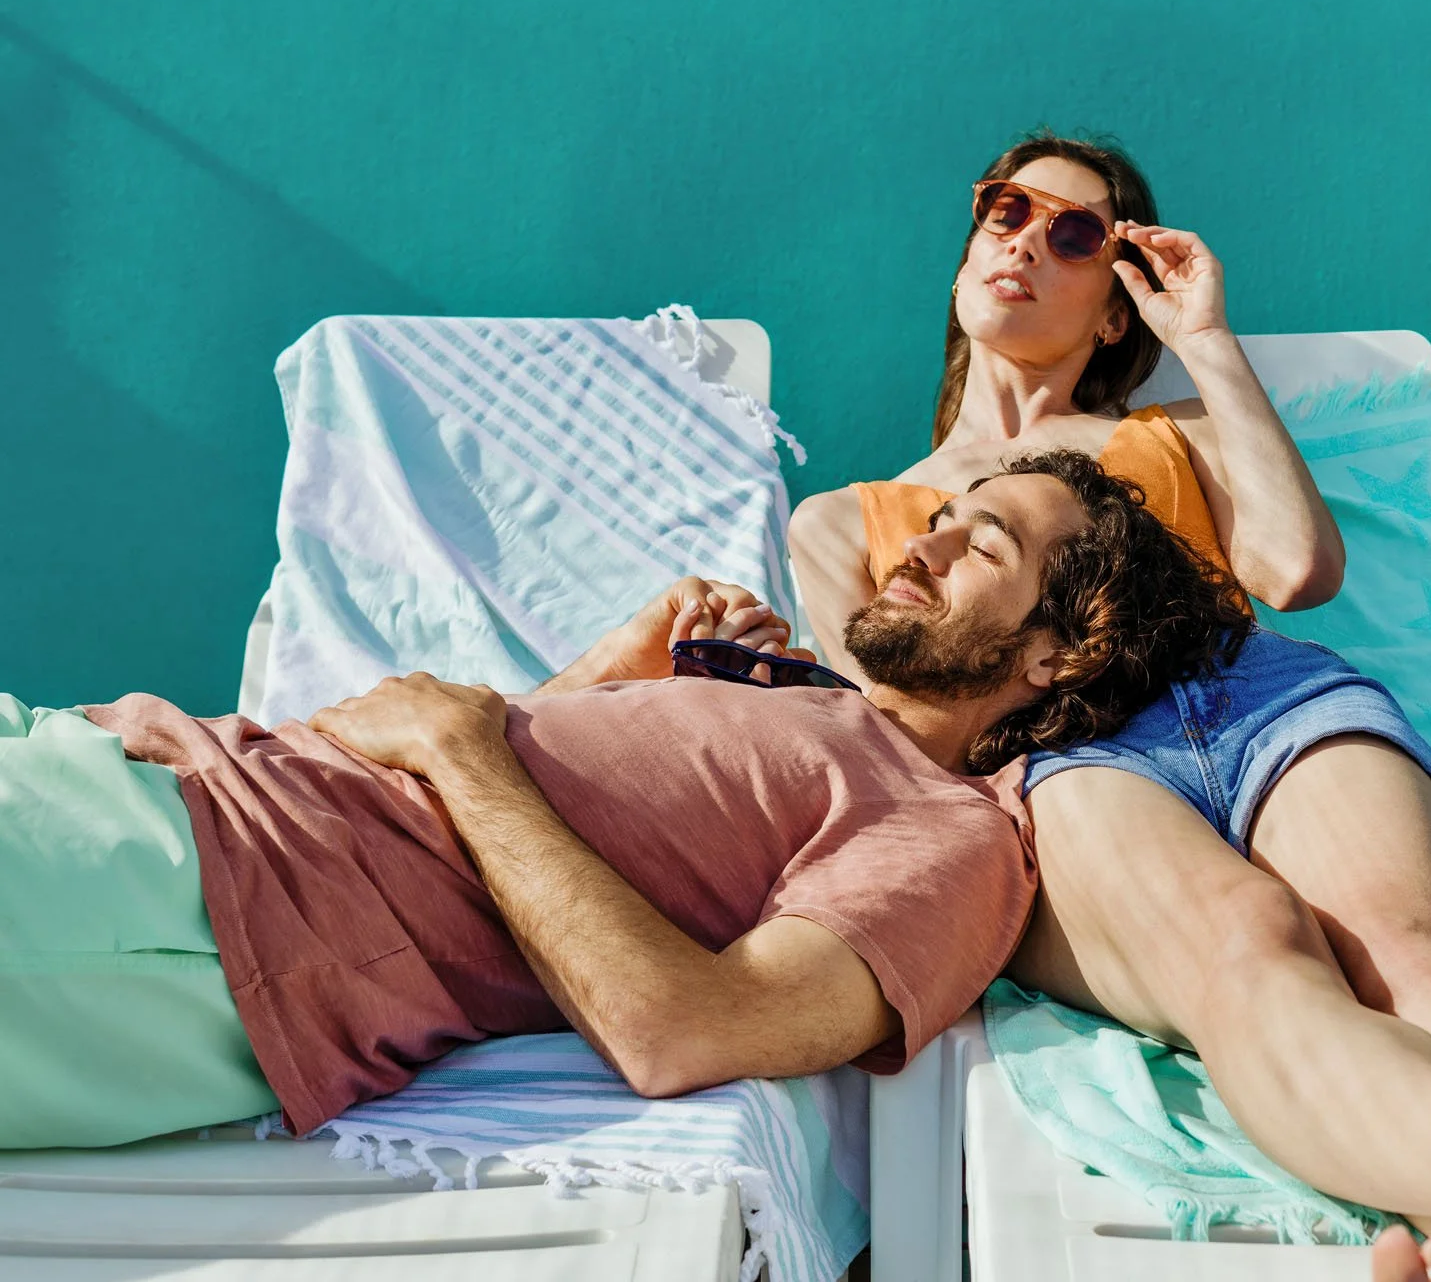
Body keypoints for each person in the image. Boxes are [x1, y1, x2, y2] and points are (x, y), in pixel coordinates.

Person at [790, 133, 1431, 1282]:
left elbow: (1297, 566)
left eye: (1077, 231)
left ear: (1113, 310)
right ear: (968, 246)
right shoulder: (846, 523)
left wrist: (1203, 338)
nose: (1029, 239)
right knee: (1248, 946)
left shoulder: (1168, 435)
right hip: (1062, 759)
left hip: (1259, 701)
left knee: (1414, 955)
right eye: (1006, 210)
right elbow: (877, 738)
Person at [0, 452, 1246, 1151]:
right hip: (147, 766)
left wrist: (464, 745)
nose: (916, 545)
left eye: (983, 547)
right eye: (942, 516)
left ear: (1059, 655)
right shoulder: (808, 698)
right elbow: (502, 824)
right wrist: (604, 674)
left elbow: (681, 1028)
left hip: (209, 898)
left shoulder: (952, 837)